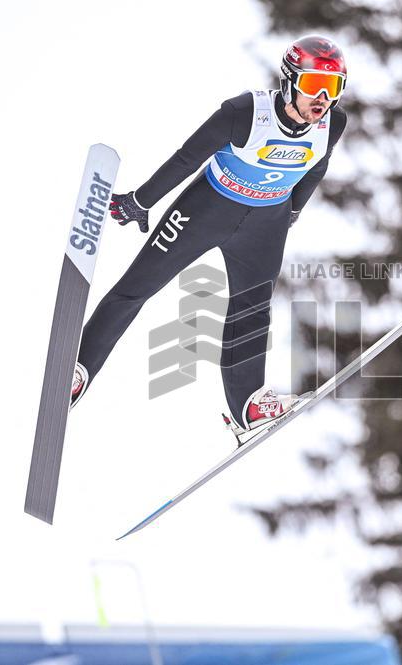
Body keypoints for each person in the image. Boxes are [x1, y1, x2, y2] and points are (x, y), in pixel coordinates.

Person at [70, 35, 349, 437]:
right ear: (289, 80)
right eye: (311, 86)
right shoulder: (244, 113)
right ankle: (77, 367)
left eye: (333, 87)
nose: (322, 99)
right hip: (207, 210)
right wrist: (141, 200)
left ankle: (247, 407)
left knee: (252, 310)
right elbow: (188, 157)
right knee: (137, 287)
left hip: (265, 225)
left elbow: (317, 167)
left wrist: (294, 210)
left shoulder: (331, 124)